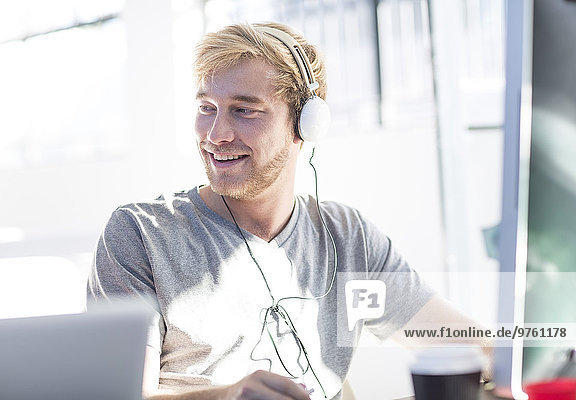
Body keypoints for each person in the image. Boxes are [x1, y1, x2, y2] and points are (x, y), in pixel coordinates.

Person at [87, 22, 486, 400]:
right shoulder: (139, 234)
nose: (215, 135)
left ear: (304, 125)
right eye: (207, 107)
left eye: (244, 110)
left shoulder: (346, 237)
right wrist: (226, 396)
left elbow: (465, 343)